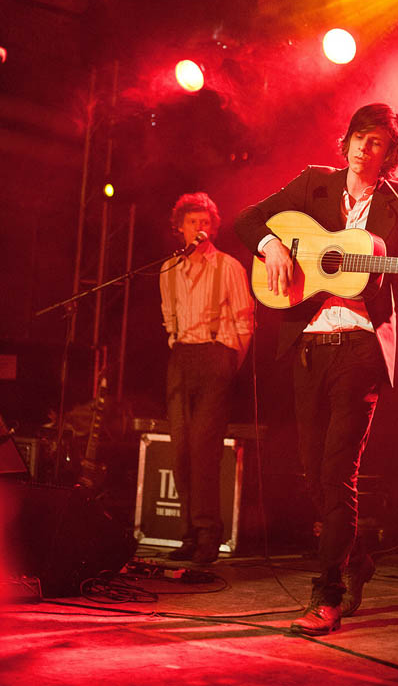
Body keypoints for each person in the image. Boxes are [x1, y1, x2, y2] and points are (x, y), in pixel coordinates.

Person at [234, 102, 398, 634]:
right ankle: (360, 558)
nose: (365, 151)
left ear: (391, 154)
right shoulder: (313, 185)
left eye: (378, 144)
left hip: (361, 348)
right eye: (359, 139)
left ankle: (328, 593)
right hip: (309, 346)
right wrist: (272, 245)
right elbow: (246, 220)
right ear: (344, 140)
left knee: (336, 472)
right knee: (312, 474)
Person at [160, 191, 254, 565]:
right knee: (180, 449)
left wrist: (228, 366)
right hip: (182, 357)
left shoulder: (229, 267)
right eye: (192, 222)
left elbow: (246, 322)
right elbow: (169, 317)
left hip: (217, 356)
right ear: (179, 228)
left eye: (205, 222)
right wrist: (177, 344)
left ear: (213, 227)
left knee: (204, 450)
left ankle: (207, 536)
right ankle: (186, 534)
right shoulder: (168, 269)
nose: (199, 228)